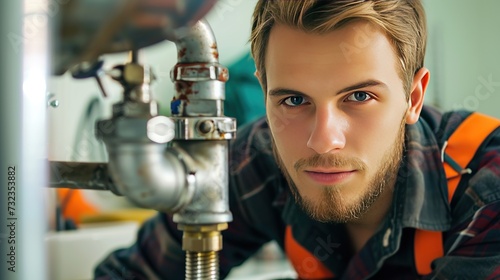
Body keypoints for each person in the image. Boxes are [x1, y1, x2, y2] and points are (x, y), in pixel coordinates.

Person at [94, 0, 500, 279]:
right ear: (264, 93)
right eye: (293, 100)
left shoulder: (488, 188)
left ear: (413, 98)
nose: (323, 141)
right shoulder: (260, 157)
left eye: (359, 97)